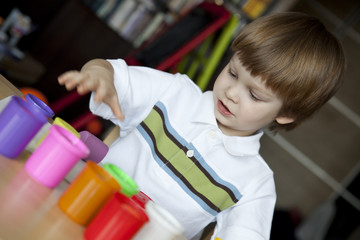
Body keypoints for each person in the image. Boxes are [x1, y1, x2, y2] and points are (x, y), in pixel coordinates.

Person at [58, 12, 345, 240]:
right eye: (233, 73)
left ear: (286, 114)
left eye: (255, 95)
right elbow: (110, 71)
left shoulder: (254, 183)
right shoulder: (173, 93)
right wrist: (99, 75)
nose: (232, 92)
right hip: (74, 211)